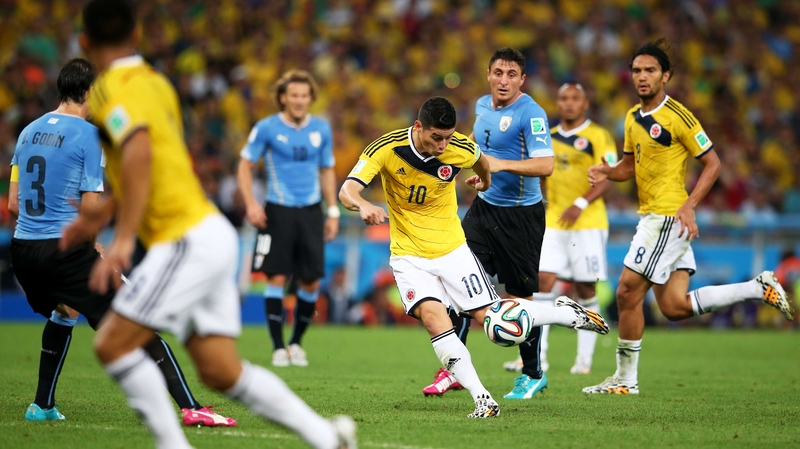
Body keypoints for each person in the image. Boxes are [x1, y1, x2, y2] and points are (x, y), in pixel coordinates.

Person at [61, 2, 355, 448]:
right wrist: (104, 211)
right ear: (137, 33)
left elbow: (138, 152)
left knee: (112, 345)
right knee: (221, 370)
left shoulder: (108, 91)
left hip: (184, 239)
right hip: (209, 234)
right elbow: (153, 159)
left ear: (84, 41)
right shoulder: (156, 83)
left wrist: (119, 238)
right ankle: (327, 437)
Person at [339, 96, 608, 418]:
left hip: (453, 251)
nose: (442, 146)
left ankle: (565, 314)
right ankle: (483, 398)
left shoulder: (460, 148)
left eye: (448, 138)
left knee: (496, 327)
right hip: (408, 255)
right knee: (434, 318)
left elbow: (482, 163)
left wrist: (486, 181)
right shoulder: (386, 148)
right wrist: (364, 205)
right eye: (436, 137)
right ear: (418, 127)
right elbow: (347, 190)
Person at [8, 58, 234, 427]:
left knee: (65, 309)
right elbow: (92, 206)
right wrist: (93, 248)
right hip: (64, 251)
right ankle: (192, 408)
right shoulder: (89, 136)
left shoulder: (26, 132)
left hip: (24, 250)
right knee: (139, 318)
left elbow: (14, 204)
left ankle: (42, 405)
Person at [583, 39, 794, 395]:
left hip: (667, 216)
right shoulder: (633, 117)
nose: (642, 77)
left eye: (650, 70)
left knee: (626, 293)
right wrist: (607, 172)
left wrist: (689, 204)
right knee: (673, 307)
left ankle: (625, 381)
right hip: (656, 216)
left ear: (666, 75)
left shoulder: (678, 116)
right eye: (636, 70)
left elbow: (713, 163)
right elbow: (630, 166)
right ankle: (756, 287)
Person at [422, 47, 557, 400]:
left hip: (520, 217)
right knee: (460, 284)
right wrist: (483, 177)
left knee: (520, 297)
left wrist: (499, 165)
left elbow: (546, 165)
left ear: (522, 80)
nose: (504, 80)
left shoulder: (532, 113)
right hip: (483, 211)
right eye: (498, 72)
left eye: (512, 75)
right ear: (488, 74)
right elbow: (480, 156)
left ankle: (532, 373)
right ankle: (452, 369)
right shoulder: (481, 106)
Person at [503, 82, 617, 376]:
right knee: (542, 281)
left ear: (585, 104)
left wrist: (579, 202)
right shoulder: (548, 138)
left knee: (585, 288)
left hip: (588, 223)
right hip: (553, 220)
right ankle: (535, 359)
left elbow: (609, 176)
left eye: (575, 99)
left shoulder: (598, 135)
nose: (568, 104)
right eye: (563, 98)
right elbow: (538, 174)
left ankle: (584, 360)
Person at [237, 69, 338, 367]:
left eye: (304, 95)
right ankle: (278, 346)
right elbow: (245, 166)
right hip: (277, 209)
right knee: (277, 277)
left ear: (310, 99)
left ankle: (296, 343)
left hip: (311, 210)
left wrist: (332, 211)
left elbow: (327, 170)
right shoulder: (266, 128)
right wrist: (251, 204)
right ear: (283, 97)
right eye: (293, 95)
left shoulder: (322, 129)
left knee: (310, 281)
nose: (298, 100)